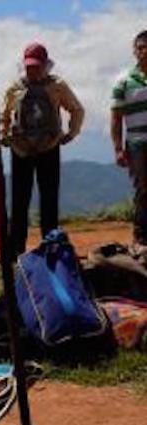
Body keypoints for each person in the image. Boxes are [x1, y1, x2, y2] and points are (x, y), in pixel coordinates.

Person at [1, 42, 84, 252]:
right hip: (20, 149)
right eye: (29, 66)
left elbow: (76, 109)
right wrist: (4, 135)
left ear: (46, 65)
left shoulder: (57, 86)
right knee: (19, 199)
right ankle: (16, 247)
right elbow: (5, 114)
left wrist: (71, 133)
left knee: (49, 198)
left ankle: (51, 244)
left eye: (36, 66)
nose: (32, 70)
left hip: (49, 147)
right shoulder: (15, 87)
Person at [112, 30, 147, 259]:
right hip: (136, 143)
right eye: (140, 47)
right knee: (143, 189)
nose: (144, 51)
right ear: (134, 50)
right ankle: (142, 237)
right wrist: (117, 148)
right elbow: (116, 117)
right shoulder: (124, 80)